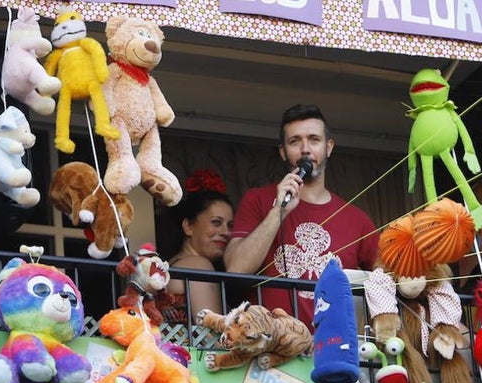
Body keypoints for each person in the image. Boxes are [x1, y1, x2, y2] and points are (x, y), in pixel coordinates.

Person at [225, 104, 379, 323]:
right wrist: (278, 210)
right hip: (270, 346)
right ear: (283, 151)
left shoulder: (357, 219)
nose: (305, 149)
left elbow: (386, 278)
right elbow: (236, 269)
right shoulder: (258, 199)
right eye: (295, 141)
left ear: (329, 147)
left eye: (314, 139)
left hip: (334, 348)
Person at [162, 172, 234, 321]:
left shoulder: (175, 263)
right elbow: (208, 334)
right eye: (216, 222)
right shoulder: (197, 265)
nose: (226, 232)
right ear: (188, 226)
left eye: (230, 225)